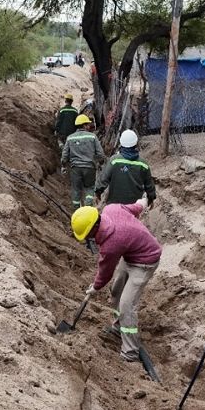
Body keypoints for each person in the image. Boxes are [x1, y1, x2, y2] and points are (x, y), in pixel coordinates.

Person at [70, 199, 162, 362]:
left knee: (127, 305)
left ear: (93, 229)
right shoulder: (111, 208)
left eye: (88, 235)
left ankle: (130, 352)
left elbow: (105, 272)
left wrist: (95, 287)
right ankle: (118, 327)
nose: (88, 239)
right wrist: (142, 203)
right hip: (130, 254)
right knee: (116, 290)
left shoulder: (111, 244)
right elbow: (134, 208)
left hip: (146, 261)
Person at [95, 129, 156, 207]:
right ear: (136, 143)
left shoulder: (114, 161)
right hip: (134, 205)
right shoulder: (143, 164)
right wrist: (151, 198)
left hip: (115, 203)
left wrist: (98, 192)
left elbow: (104, 179)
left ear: (121, 143)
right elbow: (149, 184)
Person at [61, 115, 106, 208]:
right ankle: (88, 206)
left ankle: (76, 211)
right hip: (89, 167)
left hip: (75, 169)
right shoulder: (93, 137)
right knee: (89, 188)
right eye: (88, 124)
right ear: (84, 125)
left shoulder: (70, 138)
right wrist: (100, 163)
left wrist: (64, 165)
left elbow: (65, 156)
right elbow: (101, 154)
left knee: (76, 190)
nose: (89, 126)